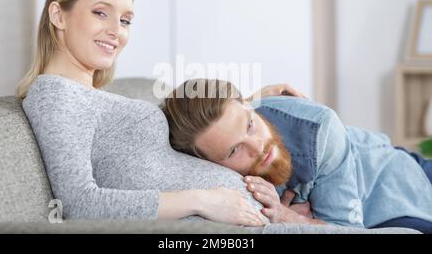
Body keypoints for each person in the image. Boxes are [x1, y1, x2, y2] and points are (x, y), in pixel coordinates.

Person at [17, 0, 304, 226]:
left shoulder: (93, 96)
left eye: (125, 20)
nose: (116, 31)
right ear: (58, 15)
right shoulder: (55, 95)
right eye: (100, 13)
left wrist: (246, 105)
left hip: (265, 217)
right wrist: (201, 200)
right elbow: (78, 202)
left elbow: (178, 135)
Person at [161, 78, 432, 233]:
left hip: (395, 182)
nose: (258, 147)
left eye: (250, 124)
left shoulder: (319, 126)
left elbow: (349, 230)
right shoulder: (205, 160)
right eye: (234, 150)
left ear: (249, 105)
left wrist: (288, 216)